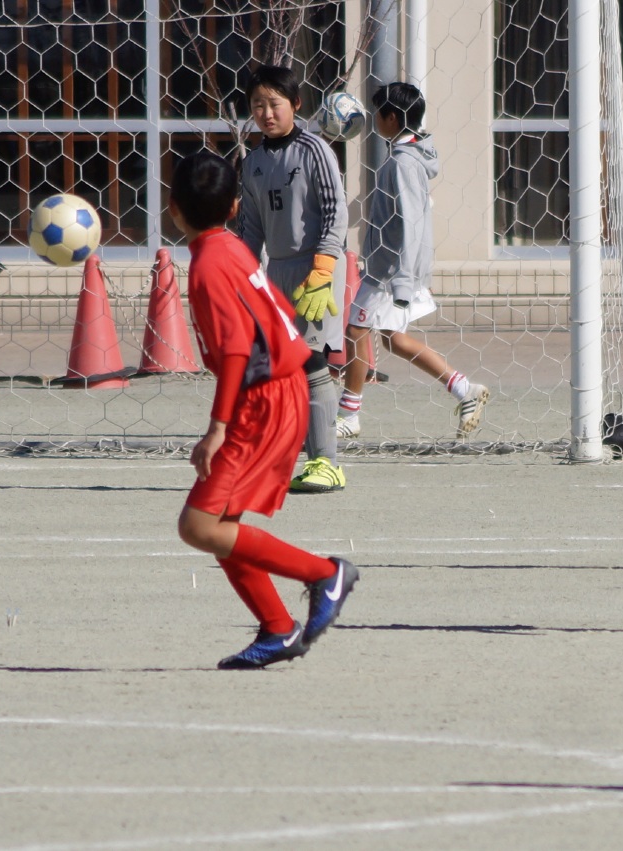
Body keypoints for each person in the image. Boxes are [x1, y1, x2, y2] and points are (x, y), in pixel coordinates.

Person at [170, 151, 360, 669]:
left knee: (198, 525)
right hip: (281, 387)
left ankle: (324, 574)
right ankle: (277, 628)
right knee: (221, 522)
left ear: (173, 209)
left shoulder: (208, 265)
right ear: (235, 208)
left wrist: (217, 428)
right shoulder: (230, 249)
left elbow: (236, 349)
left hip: (264, 397)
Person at [337, 82, 489, 439]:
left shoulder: (402, 163)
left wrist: (404, 279)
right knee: (392, 339)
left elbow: (412, 223)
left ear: (391, 118)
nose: (374, 119)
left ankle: (349, 415)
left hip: (389, 273)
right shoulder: (408, 156)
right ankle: (465, 389)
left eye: (378, 113)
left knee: (356, 330)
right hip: (391, 268)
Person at [237, 64, 349, 493]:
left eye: (275, 104)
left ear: (296, 104)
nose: (266, 113)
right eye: (257, 105)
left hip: (315, 268)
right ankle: (287, 456)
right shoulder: (252, 163)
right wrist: (243, 279)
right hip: (276, 272)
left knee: (312, 361)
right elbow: (250, 229)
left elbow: (336, 211)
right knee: (276, 368)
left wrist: (324, 269)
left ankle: (327, 463)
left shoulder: (315, 149)